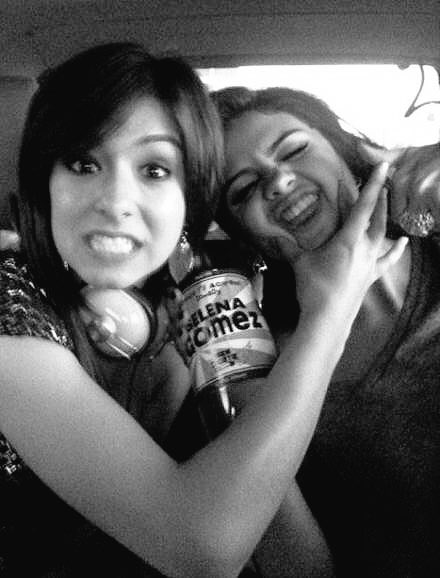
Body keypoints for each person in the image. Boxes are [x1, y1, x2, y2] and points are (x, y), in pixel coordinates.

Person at [0, 42, 408, 577]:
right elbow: (201, 547)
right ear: (42, 182)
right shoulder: (10, 308)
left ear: (190, 201)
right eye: (83, 163)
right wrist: (330, 310)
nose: (115, 201)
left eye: (154, 169)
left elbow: (283, 530)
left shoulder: (198, 299)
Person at [211, 85, 440, 577]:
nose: (277, 182)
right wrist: (326, 311)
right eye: (244, 190)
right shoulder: (256, 371)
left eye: (294, 150)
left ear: (348, 152)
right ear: (243, 233)